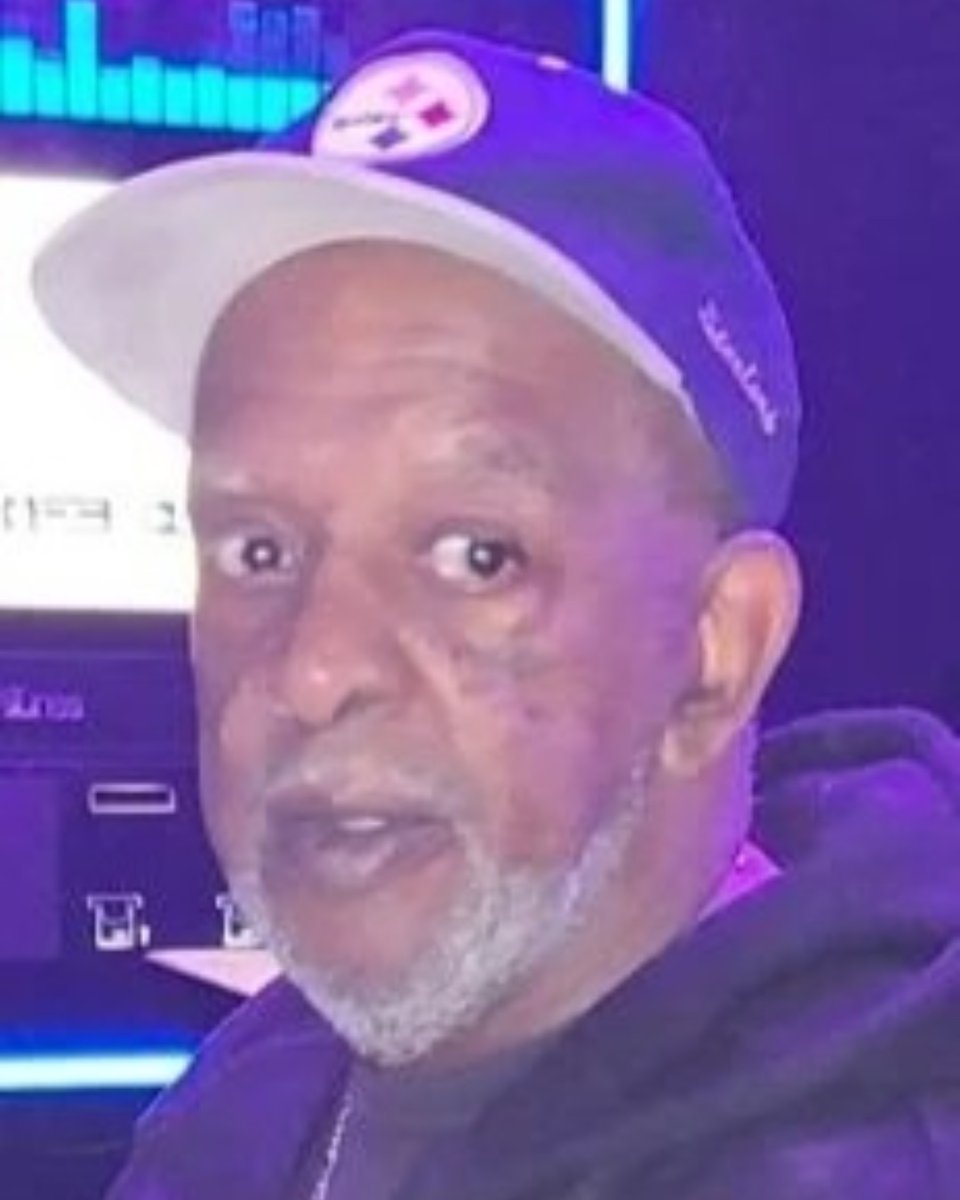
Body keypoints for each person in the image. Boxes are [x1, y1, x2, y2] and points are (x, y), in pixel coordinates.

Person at [33, 28, 960, 1200]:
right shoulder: (265, 1084)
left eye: (477, 556)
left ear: (717, 653)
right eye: (259, 548)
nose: (312, 668)